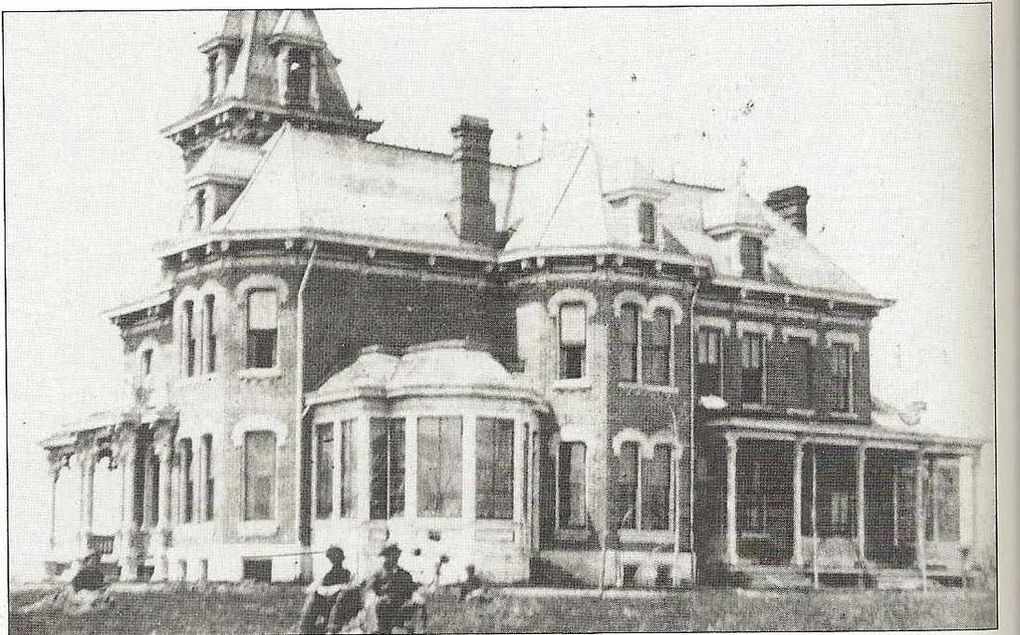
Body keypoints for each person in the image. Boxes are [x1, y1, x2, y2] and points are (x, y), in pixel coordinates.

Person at [19, 550, 113, 615]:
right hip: (74, 596)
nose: (93, 563)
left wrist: (103, 588)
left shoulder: (99, 574)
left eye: (96, 561)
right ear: (86, 562)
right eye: (91, 561)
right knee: (51, 600)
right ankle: (27, 609)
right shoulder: (82, 572)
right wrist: (66, 594)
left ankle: (32, 608)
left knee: (71, 607)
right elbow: (72, 587)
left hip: (84, 598)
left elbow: (98, 588)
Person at [293, 546, 358, 634]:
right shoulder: (328, 575)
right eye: (332, 559)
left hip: (340, 605)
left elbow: (348, 588)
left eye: (336, 559)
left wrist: (337, 589)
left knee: (339, 598)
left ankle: (331, 628)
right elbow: (314, 587)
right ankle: (305, 627)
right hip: (326, 602)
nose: (334, 561)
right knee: (314, 598)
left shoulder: (346, 573)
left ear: (341, 559)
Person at [364, 542, 418, 634]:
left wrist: (410, 600)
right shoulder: (378, 574)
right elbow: (369, 591)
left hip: (400, 607)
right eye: (390, 554)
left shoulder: (404, 574)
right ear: (385, 556)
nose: (394, 557)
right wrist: (379, 598)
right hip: (382, 608)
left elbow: (411, 592)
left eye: (396, 554)